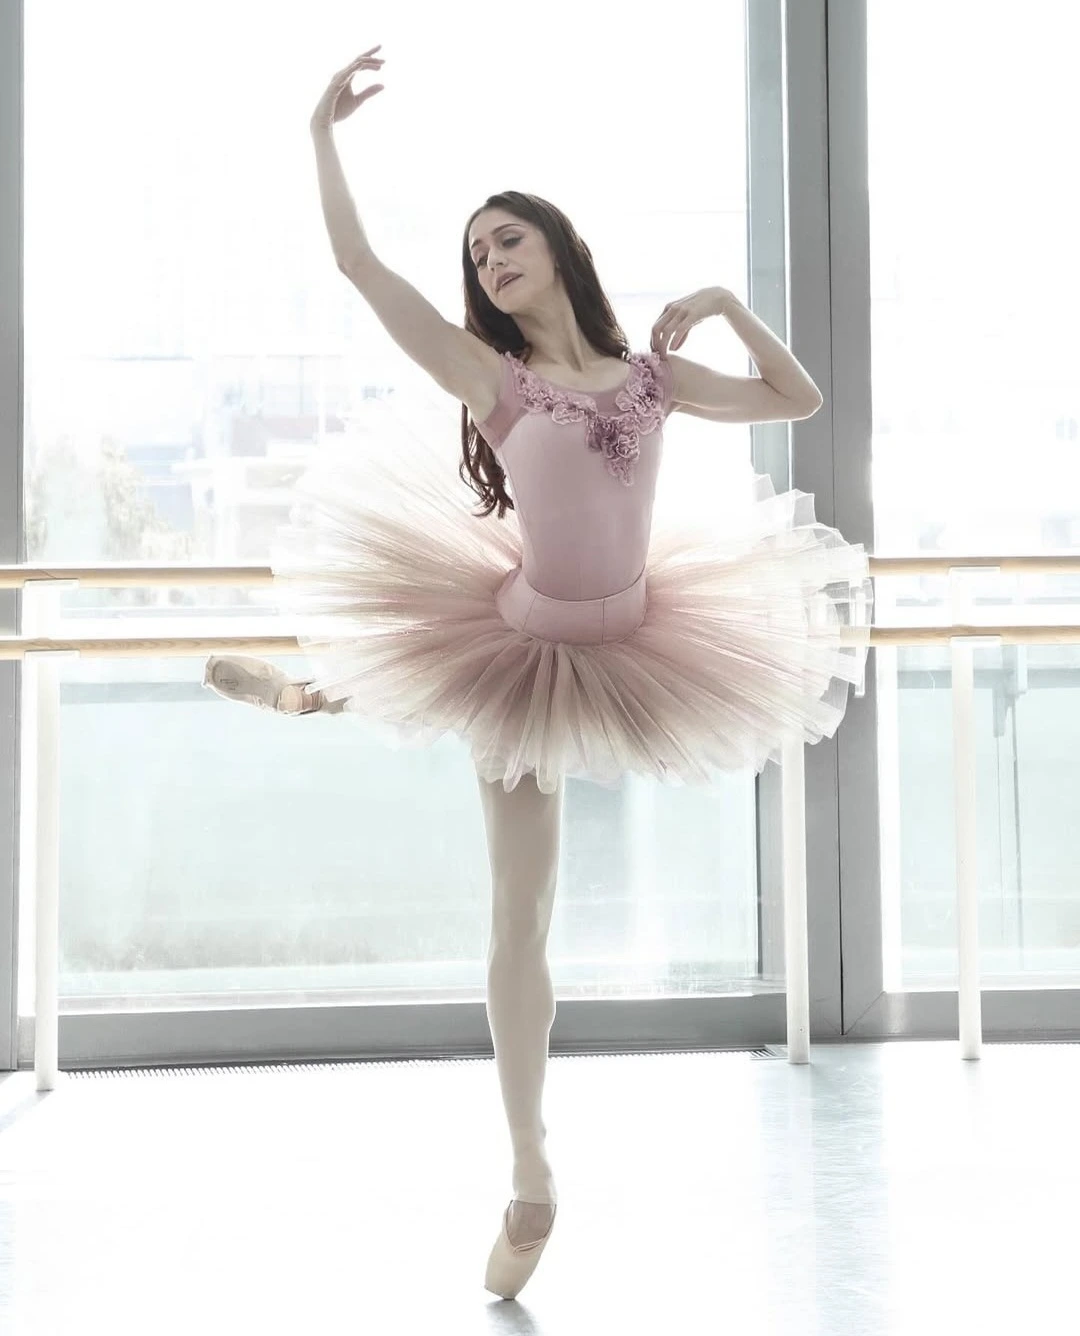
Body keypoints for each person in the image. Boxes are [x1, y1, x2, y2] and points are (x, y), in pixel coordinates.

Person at [203, 46, 873, 1299]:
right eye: (477, 255)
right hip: (526, 646)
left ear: (558, 248)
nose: (490, 261)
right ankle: (530, 1169)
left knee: (524, 880)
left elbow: (798, 397)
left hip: (642, 637)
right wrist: (320, 136)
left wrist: (726, 301)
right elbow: (360, 268)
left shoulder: (654, 380)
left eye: (507, 239)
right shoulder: (491, 380)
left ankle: (314, 692)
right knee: (522, 917)